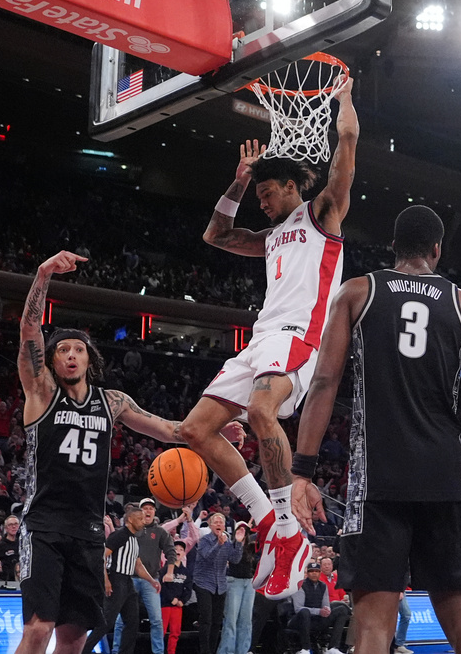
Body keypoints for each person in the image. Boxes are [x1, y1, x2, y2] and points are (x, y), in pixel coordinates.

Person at [290, 206, 461, 653]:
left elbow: (325, 382)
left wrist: (302, 473)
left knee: (372, 629)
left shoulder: (358, 292)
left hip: (378, 484)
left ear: (394, 247)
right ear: (437, 250)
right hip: (444, 481)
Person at [177, 75, 359, 602]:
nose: (261, 202)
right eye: (256, 196)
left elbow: (345, 149)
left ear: (292, 187)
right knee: (196, 430)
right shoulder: (272, 234)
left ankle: (289, 533)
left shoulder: (322, 214)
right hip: (262, 337)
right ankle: (266, 521)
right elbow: (215, 235)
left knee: (260, 413)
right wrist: (237, 183)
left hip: (301, 333)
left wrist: (344, 101)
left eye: (265, 192)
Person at [13, 251, 243, 654]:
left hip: (86, 529)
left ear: (89, 357)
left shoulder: (113, 402)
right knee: (38, 628)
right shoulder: (41, 391)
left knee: (74, 635)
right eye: (62, 349)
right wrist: (43, 274)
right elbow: (30, 328)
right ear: (50, 360)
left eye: (78, 349)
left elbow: (171, 429)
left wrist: (214, 427)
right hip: (43, 525)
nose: (70, 355)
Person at [82, 508, 160, 654]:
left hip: (128, 582)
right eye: (140, 519)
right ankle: (84, 650)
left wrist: (151, 580)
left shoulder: (133, 539)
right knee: (107, 622)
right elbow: (102, 557)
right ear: (130, 520)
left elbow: (137, 565)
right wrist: (106, 580)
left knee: (132, 622)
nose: (143, 522)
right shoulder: (119, 535)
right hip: (116, 579)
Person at [117, 498, 172, 654]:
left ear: (154, 512)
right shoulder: (129, 531)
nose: (148, 511)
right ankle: (116, 650)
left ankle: (158, 652)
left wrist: (169, 572)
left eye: (151, 508)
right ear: (139, 512)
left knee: (156, 620)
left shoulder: (160, 532)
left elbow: (170, 551)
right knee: (121, 620)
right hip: (128, 578)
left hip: (150, 579)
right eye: (145, 508)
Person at [193, 512, 245, 654]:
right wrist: (218, 544)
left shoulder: (227, 541)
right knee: (206, 620)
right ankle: (204, 651)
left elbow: (235, 559)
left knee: (217, 621)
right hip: (203, 583)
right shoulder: (204, 540)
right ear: (210, 525)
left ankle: (213, 650)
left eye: (221, 522)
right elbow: (208, 557)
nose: (218, 524)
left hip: (220, 585)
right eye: (215, 522)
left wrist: (239, 543)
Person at [288, 562, 350, 654]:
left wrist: (327, 610)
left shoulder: (323, 585)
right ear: (307, 573)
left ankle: (333, 647)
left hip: (317, 619)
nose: (314, 573)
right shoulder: (301, 586)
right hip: (299, 620)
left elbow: (325, 604)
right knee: (304, 612)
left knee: (342, 609)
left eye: (316, 571)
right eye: (311, 571)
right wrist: (319, 611)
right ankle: (306, 648)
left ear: (320, 573)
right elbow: (298, 608)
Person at [218, 521, 257, 654]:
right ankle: (227, 651)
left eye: (244, 530)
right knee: (231, 619)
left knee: (246, 620)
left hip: (249, 583)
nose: (242, 532)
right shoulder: (230, 545)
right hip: (234, 582)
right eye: (239, 529)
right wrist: (239, 542)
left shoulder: (253, 547)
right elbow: (233, 559)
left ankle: (243, 650)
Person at [160, 540, 192, 654]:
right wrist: (171, 598)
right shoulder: (165, 569)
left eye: (181, 550)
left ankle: (171, 652)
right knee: (161, 631)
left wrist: (182, 600)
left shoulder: (186, 571)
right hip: (165, 605)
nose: (178, 551)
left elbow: (188, 588)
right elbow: (161, 586)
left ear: (184, 554)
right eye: (176, 549)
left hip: (178, 606)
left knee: (175, 632)